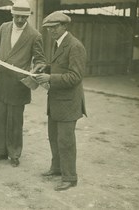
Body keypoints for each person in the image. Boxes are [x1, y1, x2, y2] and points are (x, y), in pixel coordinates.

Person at [0, 0, 46, 167]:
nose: (19, 20)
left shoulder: (35, 35)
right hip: (1, 80)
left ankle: (14, 154)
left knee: (15, 122)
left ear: (28, 16)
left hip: (19, 84)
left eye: (23, 17)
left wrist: (38, 68)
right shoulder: (4, 28)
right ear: (12, 14)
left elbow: (40, 59)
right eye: (17, 16)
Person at [35, 11, 87, 191]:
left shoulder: (75, 46)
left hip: (68, 102)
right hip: (57, 100)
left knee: (65, 141)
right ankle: (57, 168)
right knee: (54, 138)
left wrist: (50, 77)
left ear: (64, 26)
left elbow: (75, 76)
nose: (51, 31)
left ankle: (70, 177)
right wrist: (47, 67)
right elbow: (62, 67)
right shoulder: (59, 43)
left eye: (55, 27)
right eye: (49, 29)